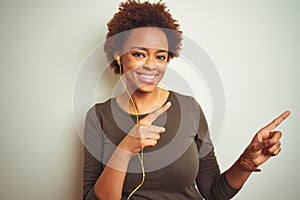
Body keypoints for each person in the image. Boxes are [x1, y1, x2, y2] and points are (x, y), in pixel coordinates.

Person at [82, 1, 290, 199]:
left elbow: (213, 193)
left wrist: (246, 161)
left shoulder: (189, 109)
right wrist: (124, 150)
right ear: (119, 54)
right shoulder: (99, 116)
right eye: (139, 54)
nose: (151, 65)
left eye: (160, 57)